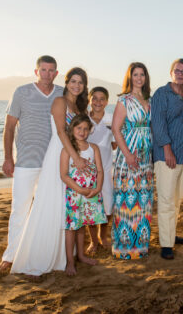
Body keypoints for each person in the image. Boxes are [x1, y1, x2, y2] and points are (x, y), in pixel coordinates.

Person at [10, 67, 90, 275]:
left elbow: (83, 132)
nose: (76, 85)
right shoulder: (60, 102)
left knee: (68, 203)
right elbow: (62, 131)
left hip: (73, 154)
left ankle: (67, 254)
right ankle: (43, 253)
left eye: (80, 82)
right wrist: (75, 157)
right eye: (73, 81)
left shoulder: (80, 105)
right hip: (59, 153)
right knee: (52, 201)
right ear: (67, 82)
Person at [0, 55, 64, 271]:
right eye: (43, 70)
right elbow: (9, 127)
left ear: (56, 73)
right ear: (36, 72)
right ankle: (11, 256)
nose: (47, 74)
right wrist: (8, 157)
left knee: (49, 209)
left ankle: (44, 252)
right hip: (25, 161)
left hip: (52, 162)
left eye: (51, 70)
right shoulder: (22, 92)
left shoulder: (62, 93)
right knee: (20, 209)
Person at [151, 58, 183, 260]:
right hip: (166, 156)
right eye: (177, 70)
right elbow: (158, 124)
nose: (180, 74)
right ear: (171, 72)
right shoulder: (161, 94)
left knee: (177, 199)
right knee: (167, 200)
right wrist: (167, 150)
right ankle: (166, 244)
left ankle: (171, 233)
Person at [111, 62, 153, 260]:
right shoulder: (124, 100)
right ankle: (125, 248)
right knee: (126, 202)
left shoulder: (149, 99)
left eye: (142, 75)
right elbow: (115, 129)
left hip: (145, 158)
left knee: (143, 201)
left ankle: (141, 246)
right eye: (135, 74)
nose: (139, 78)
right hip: (128, 158)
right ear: (130, 77)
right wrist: (127, 154)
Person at [61, 115, 106, 274]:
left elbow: (100, 170)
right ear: (72, 129)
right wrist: (79, 190)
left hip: (92, 192)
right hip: (75, 194)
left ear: (90, 131)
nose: (82, 131)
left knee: (83, 225)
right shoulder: (68, 150)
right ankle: (70, 262)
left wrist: (98, 187)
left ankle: (81, 255)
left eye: (86, 128)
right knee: (72, 227)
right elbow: (64, 175)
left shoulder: (94, 148)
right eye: (78, 128)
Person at [86, 87, 116, 252]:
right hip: (87, 170)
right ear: (89, 100)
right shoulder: (83, 120)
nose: (98, 102)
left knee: (108, 205)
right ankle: (93, 241)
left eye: (102, 99)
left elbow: (115, 142)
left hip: (106, 168)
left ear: (107, 101)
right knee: (90, 205)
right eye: (94, 98)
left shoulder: (112, 119)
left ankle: (102, 235)